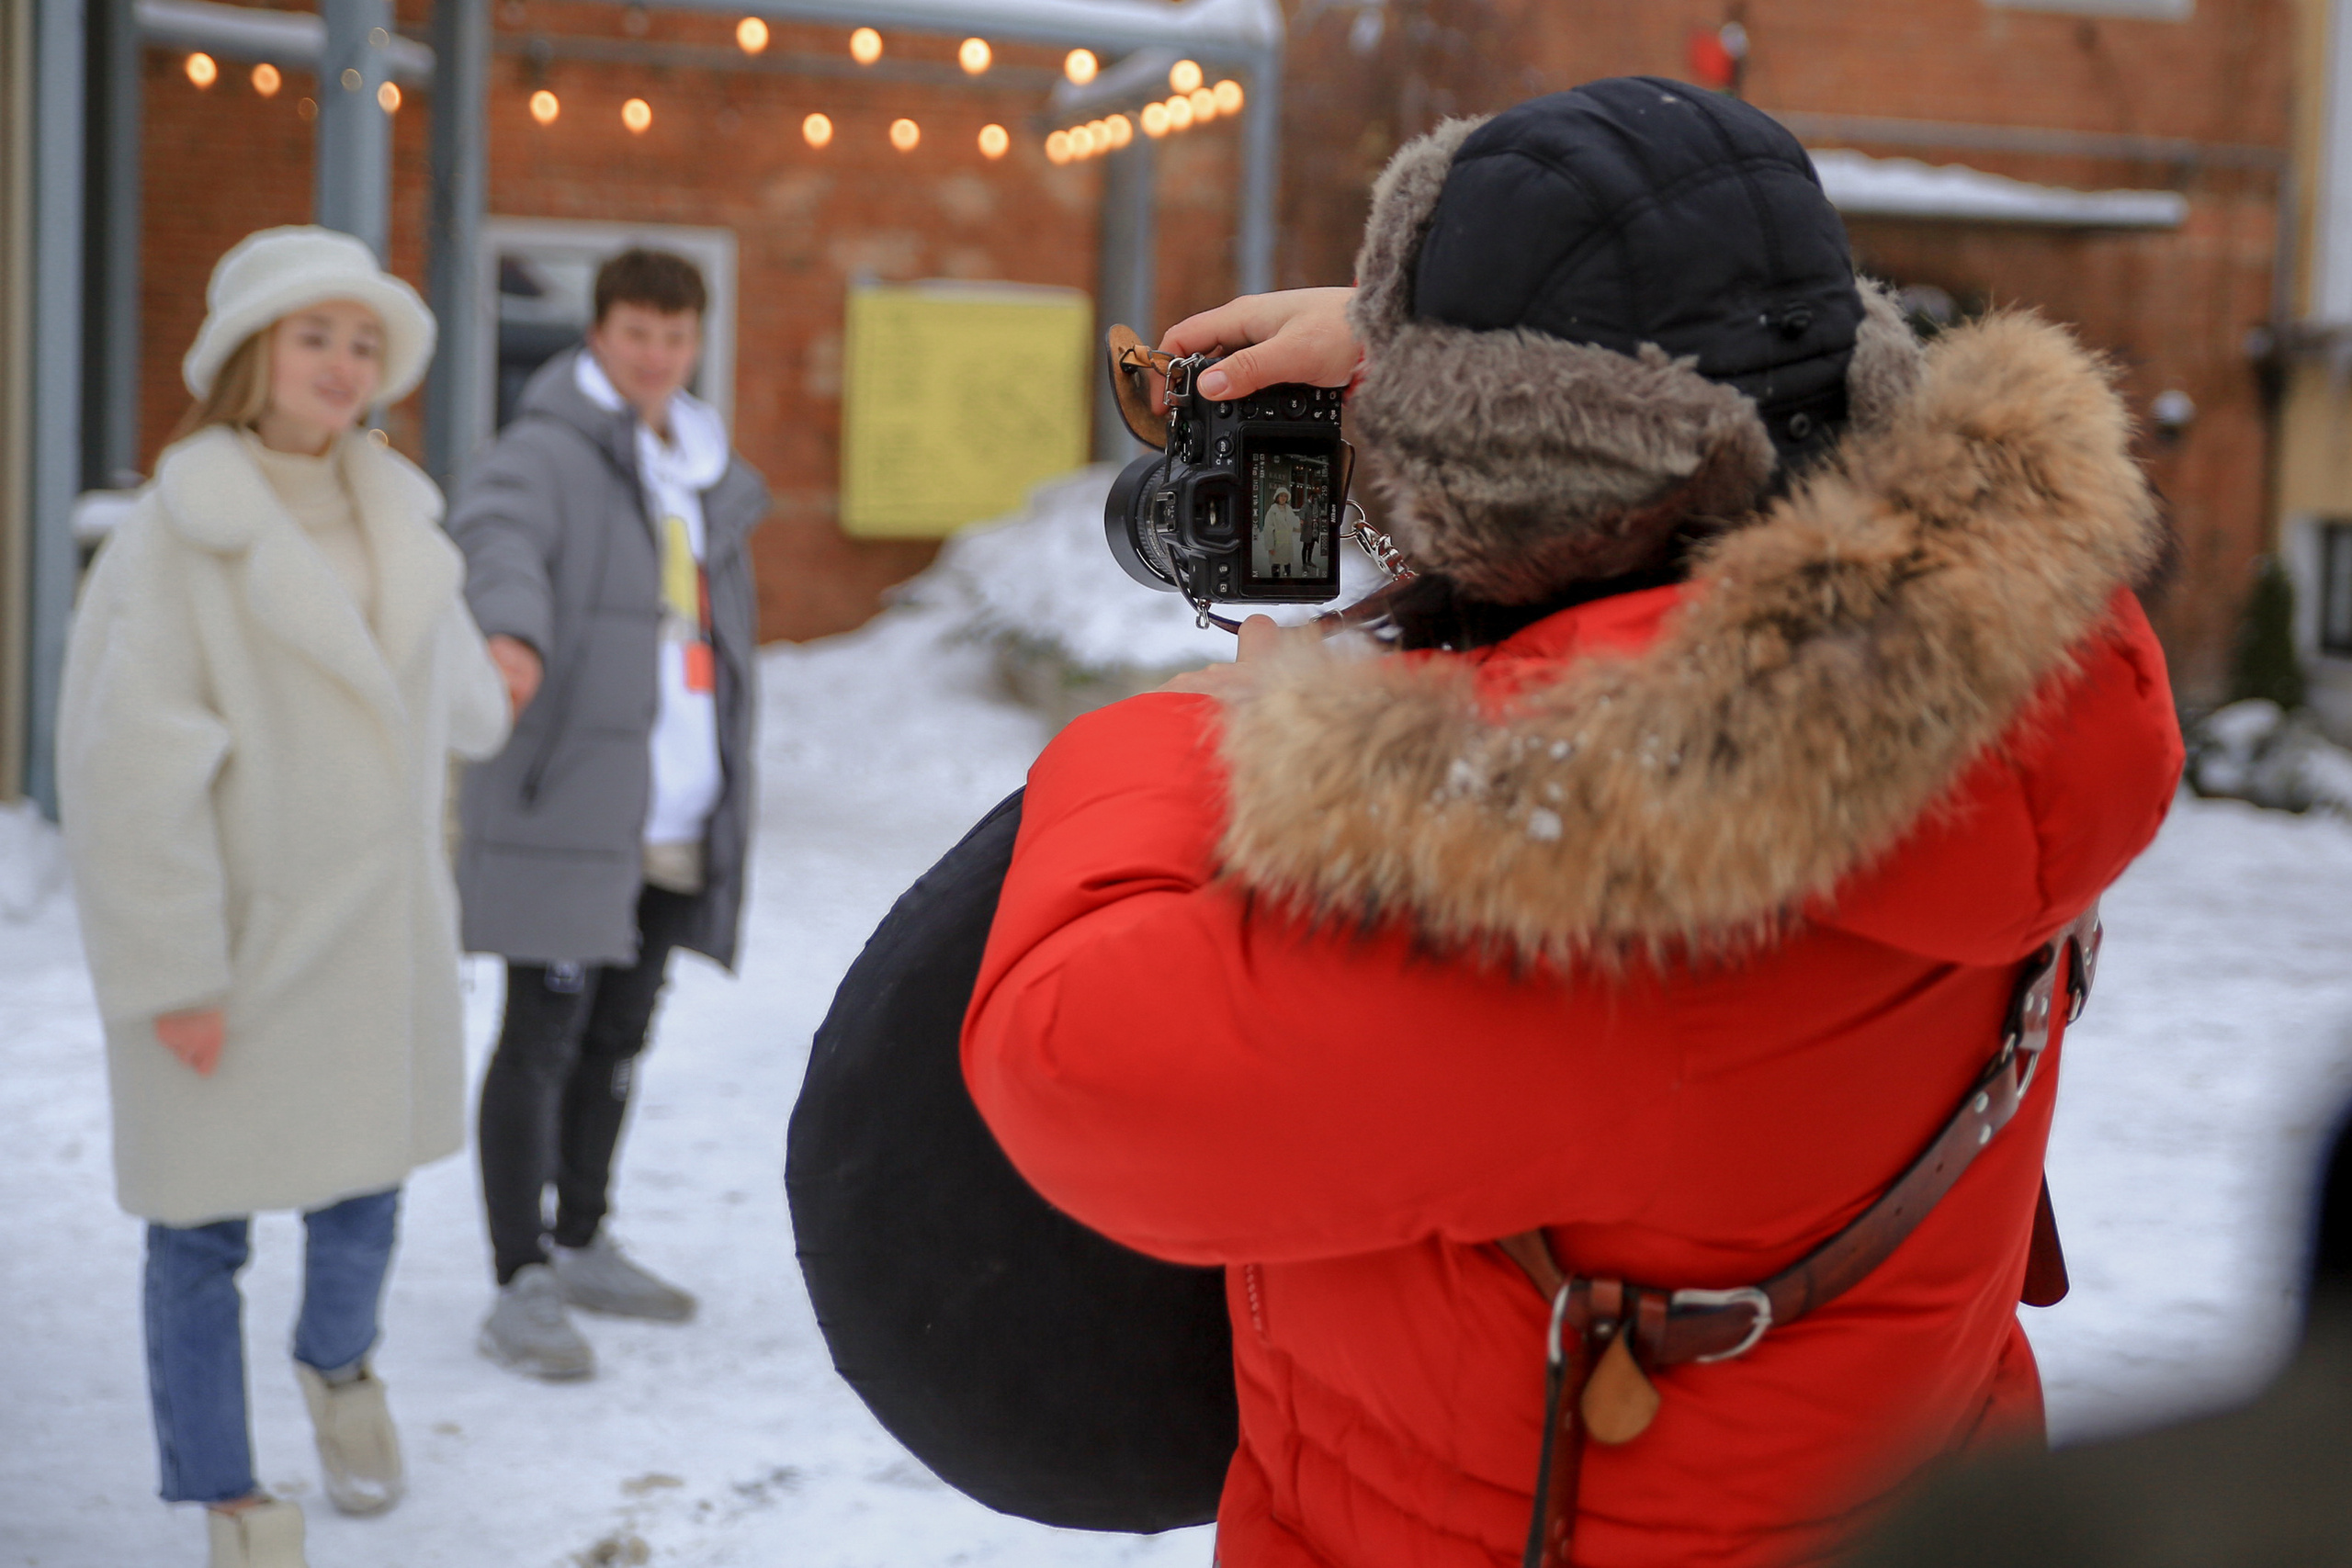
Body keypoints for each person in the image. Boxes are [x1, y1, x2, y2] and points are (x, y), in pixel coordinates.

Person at [960, 83, 2185, 1568]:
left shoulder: (1574, 886)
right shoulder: (2008, 683)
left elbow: (1074, 1067)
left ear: (1517, 491)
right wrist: (1415, 347)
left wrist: (1219, 729)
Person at [56, 226, 511, 1568]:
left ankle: (338, 1366)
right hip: (240, 949)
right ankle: (231, 1494)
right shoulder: (179, 532)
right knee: (201, 1236)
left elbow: (447, 695)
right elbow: (128, 772)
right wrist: (172, 973)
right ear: (250, 354)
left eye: (363, 340)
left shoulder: (397, 510)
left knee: (362, 1200)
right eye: (314, 334)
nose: (342, 361)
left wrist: (501, 685)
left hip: (378, 941)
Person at [449, 247, 767, 1380]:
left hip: (674, 807)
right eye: (637, 333)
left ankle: (582, 1235)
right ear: (598, 333)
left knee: (621, 1036)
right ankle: (517, 1275)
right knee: (541, 1037)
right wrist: (509, 636)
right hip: (570, 802)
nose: (656, 356)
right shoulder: (545, 453)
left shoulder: (698, 468)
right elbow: (497, 541)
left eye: (676, 338)